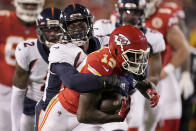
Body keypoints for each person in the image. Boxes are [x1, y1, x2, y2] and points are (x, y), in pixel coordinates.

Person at [38, 25, 160, 131]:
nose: (138, 61)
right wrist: (119, 117)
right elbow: (84, 115)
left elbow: (134, 80)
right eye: (134, 56)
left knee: (118, 120)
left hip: (89, 118)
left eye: (141, 56)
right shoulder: (99, 64)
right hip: (65, 113)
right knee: (115, 104)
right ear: (117, 51)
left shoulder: (123, 61)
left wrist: (149, 91)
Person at [35, 4, 131, 131]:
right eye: (72, 26)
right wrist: (110, 81)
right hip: (56, 110)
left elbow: (129, 64)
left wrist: (126, 82)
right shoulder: (60, 49)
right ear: (64, 29)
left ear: (90, 24)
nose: (77, 30)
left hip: (89, 107)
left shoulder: (105, 42)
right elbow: (72, 81)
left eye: (81, 25)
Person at [93, 0, 165, 130]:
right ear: (119, 11)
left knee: (142, 115)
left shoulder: (152, 37)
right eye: (126, 11)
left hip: (134, 83)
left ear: (143, 13)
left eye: (135, 12)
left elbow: (153, 76)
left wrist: (132, 83)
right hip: (105, 81)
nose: (130, 16)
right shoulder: (103, 28)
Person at [10, 7, 62, 131]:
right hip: (32, 107)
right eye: (47, 29)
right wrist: (15, 127)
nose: (52, 34)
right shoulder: (28, 51)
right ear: (39, 30)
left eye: (56, 29)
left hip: (62, 105)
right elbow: (18, 92)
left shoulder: (74, 50)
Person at [144, 0, 191, 130]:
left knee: (168, 113)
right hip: (134, 78)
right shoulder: (122, 15)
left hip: (160, 75)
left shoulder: (166, 14)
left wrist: (178, 71)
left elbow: (184, 45)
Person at [0, 0, 44, 130]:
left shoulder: (47, 26)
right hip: (4, 89)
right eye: (26, 4)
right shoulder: (4, 20)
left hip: (33, 91)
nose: (30, 7)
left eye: (33, 4)